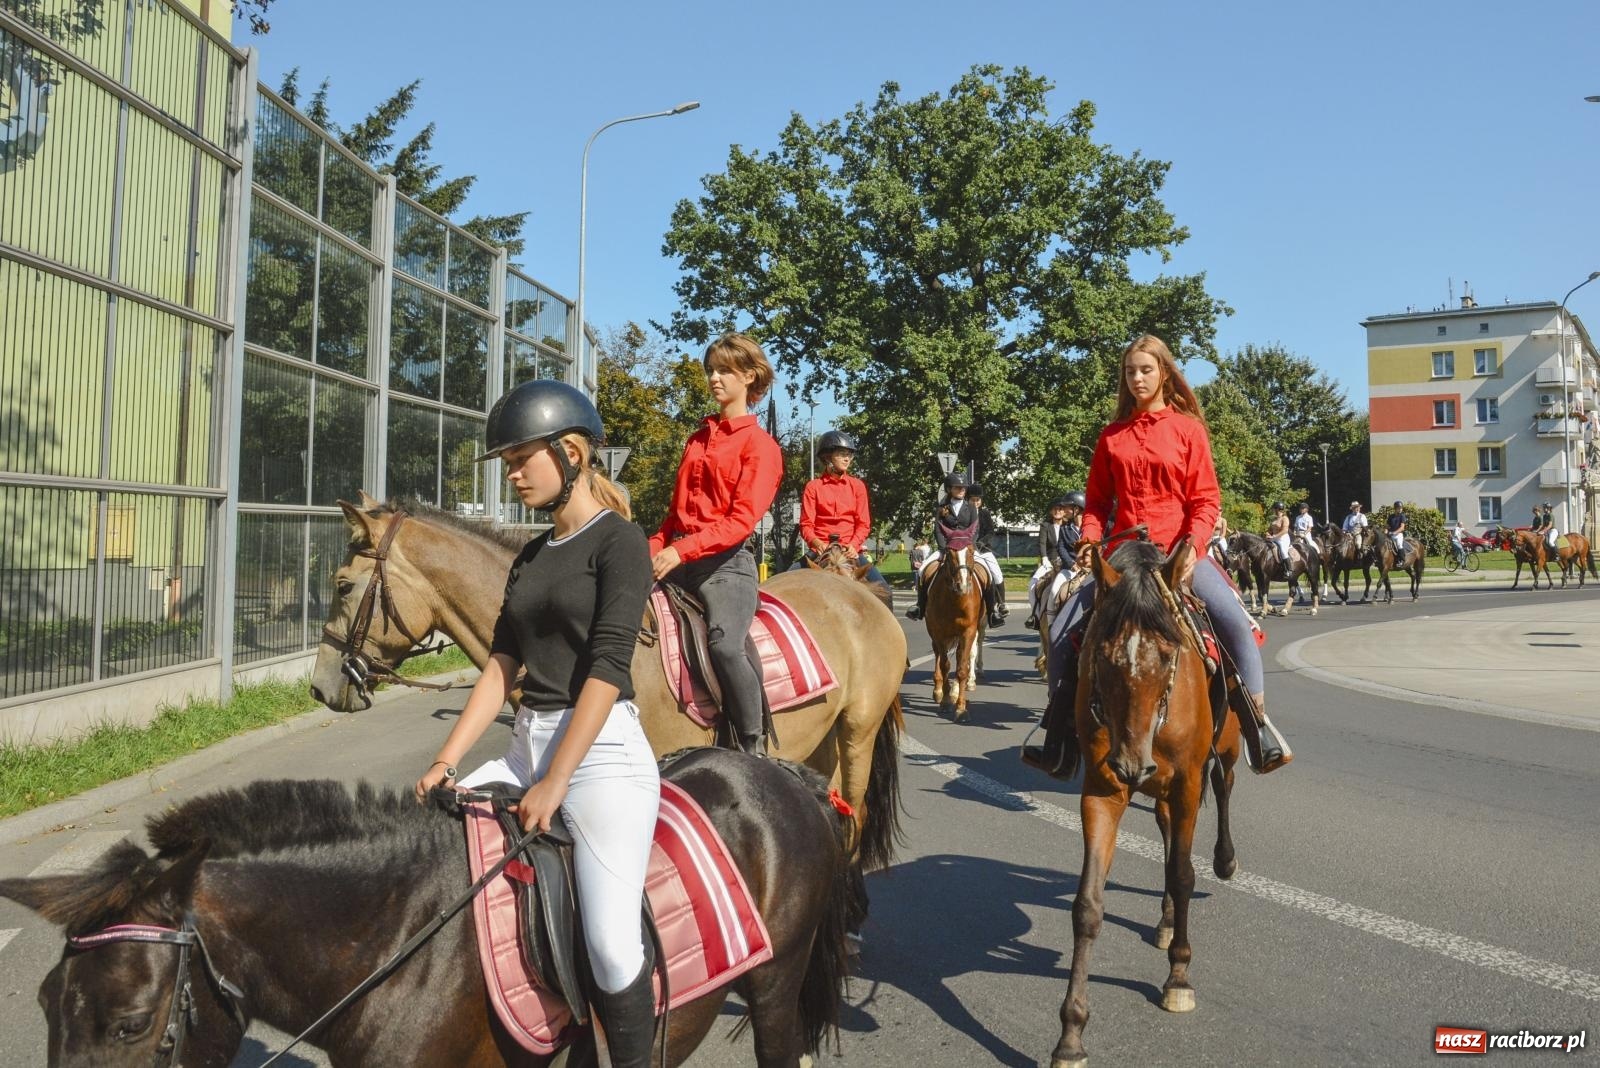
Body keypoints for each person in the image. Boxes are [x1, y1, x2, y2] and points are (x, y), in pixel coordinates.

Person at [413, 379, 660, 1066]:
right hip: (527, 746)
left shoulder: (620, 543)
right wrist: (446, 759)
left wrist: (558, 778)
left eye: (523, 458)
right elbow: (500, 667)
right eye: (508, 462)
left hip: (602, 752)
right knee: (429, 842)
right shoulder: (530, 555)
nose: (513, 474)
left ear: (573, 452)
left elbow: (608, 669)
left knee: (613, 948)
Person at [1031, 334, 1292, 775]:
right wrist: (1090, 540)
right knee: (1060, 632)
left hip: (1179, 555)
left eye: (1145, 370)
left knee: (1234, 623)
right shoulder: (1112, 436)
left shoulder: (1189, 430)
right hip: (1122, 558)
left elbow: (1206, 501)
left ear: (1164, 373)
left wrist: (1192, 547)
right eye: (1130, 371)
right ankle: (1059, 736)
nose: (1137, 378)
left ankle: (1257, 727)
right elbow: (1095, 504)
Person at [649, 333, 783, 754]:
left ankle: (752, 744)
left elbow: (740, 522)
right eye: (711, 369)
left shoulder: (761, 447)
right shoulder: (696, 439)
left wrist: (680, 551)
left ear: (750, 377)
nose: (714, 377)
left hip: (724, 566)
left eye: (725, 370)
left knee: (725, 646)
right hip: (677, 557)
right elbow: (673, 517)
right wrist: (652, 549)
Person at [790, 429, 888, 590]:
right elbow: (806, 525)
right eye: (842, 453)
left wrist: (854, 545)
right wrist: (817, 543)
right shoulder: (813, 487)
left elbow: (863, 524)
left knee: (885, 590)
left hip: (849, 550)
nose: (847, 458)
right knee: (785, 582)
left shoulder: (857, 486)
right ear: (827, 457)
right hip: (821, 550)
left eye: (849, 454)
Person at [906, 471, 980, 620]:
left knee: (992, 572)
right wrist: (943, 548)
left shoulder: (971, 507)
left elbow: (975, 528)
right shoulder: (941, 508)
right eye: (957, 487)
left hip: (967, 549)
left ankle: (994, 609)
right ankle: (920, 606)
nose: (961, 490)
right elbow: (938, 529)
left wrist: (970, 547)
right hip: (947, 548)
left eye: (963, 488)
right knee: (922, 571)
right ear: (949, 489)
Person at [1027, 492, 1085, 629]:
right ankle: (1051, 624)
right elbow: (1061, 548)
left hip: (1088, 568)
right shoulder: (1065, 528)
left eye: (1067, 507)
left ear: (1076, 509)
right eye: (1061, 508)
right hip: (1068, 567)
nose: (1063, 510)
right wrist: (1071, 564)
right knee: (1053, 591)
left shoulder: (1090, 527)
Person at [966, 484, 1009, 627]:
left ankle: (1001, 604)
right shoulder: (964, 513)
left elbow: (990, 532)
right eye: (973, 500)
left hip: (983, 550)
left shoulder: (984, 513)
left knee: (997, 574)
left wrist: (980, 543)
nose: (976, 503)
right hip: (967, 550)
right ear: (968, 500)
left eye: (978, 500)